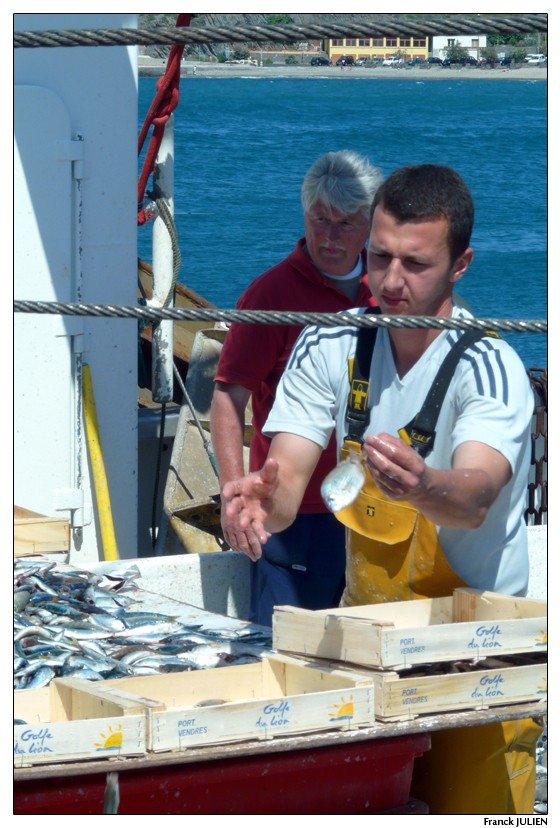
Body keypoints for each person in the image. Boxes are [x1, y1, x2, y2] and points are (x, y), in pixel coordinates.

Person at [221, 164, 541, 814]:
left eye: (415, 264)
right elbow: (287, 482)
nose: (390, 282)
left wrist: (425, 485)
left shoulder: (491, 366)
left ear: (461, 264)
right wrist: (261, 499)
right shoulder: (330, 342)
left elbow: (476, 493)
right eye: (380, 257)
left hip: (474, 659)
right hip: (367, 649)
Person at [210, 150, 383, 627]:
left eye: (346, 223)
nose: (330, 237)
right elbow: (227, 398)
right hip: (294, 514)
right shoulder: (270, 296)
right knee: (284, 650)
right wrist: (232, 494)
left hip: (375, 508)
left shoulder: (390, 290)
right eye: (319, 220)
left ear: (370, 222)